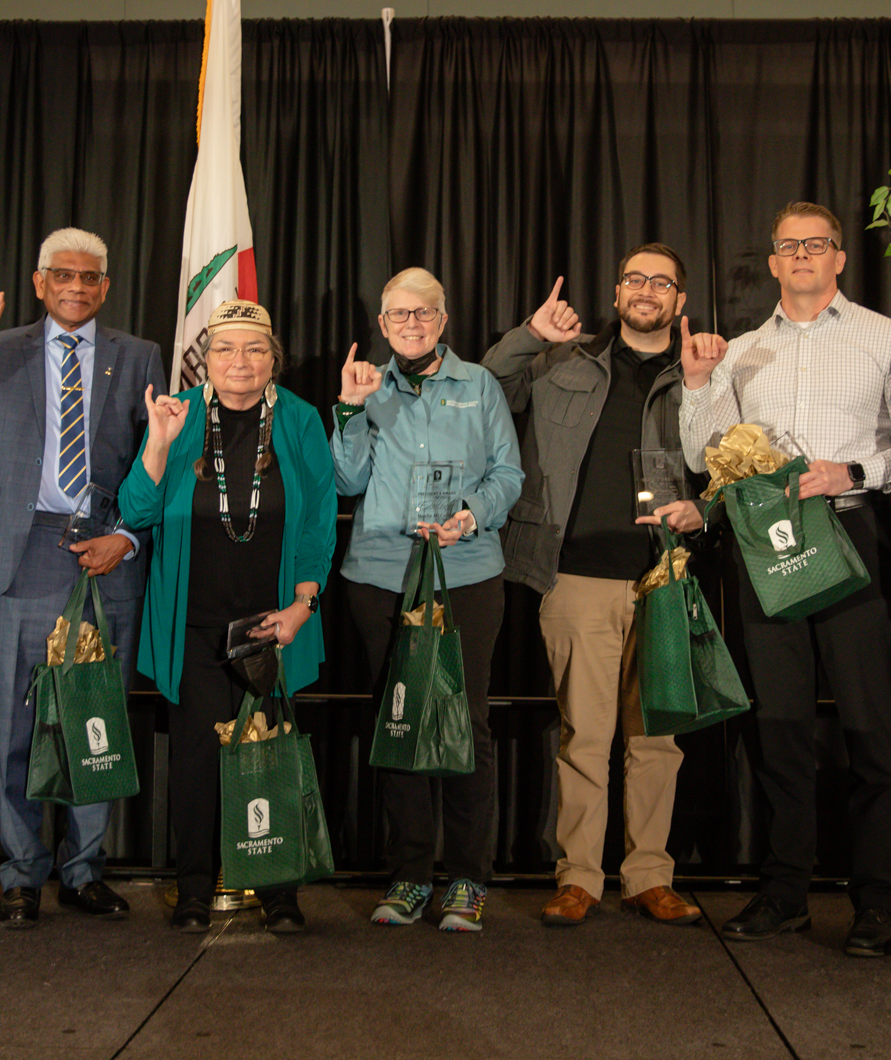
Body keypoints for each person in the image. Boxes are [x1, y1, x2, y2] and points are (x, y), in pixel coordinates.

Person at [679, 201, 891, 957]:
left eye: (818, 245)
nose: (805, 256)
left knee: (869, 729)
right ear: (774, 262)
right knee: (778, 728)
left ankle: (877, 902)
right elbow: (702, 453)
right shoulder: (741, 353)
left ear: (839, 258)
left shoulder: (890, 338)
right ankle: (786, 893)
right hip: (765, 541)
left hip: (849, 528)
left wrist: (856, 469)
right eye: (790, 247)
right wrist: (694, 383)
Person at [0, 229, 167, 928]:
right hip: (23, 549)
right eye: (61, 274)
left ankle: (84, 869)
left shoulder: (139, 356)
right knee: (21, 722)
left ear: (104, 285)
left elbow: (156, 458)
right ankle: (21, 873)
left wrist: (126, 538)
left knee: (97, 718)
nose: (75, 286)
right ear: (39, 283)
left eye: (89, 276)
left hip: (105, 551)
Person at [481, 247, 708, 927]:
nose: (646, 291)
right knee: (585, 735)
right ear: (616, 293)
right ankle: (579, 875)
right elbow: (488, 387)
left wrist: (708, 512)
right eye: (635, 279)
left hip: (666, 578)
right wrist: (530, 335)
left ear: (678, 299)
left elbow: (729, 459)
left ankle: (648, 875)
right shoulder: (561, 360)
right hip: (576, 576)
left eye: (661, 282)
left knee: (657, 739)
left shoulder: (698, 373)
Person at [119, 300, 337, 934]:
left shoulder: (297, 420)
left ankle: (277, 891)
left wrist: (302, 606)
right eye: (225, 349)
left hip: (273, 624)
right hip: (192, 623)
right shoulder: (178, 414)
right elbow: (136, 512)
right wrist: (157, 442)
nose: (239, 362)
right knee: (193, 758)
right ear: (205, 358)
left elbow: (319, 524)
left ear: (274, 359)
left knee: (268, 753)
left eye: (254, 350)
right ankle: (193, 887)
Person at [334, 268, 524, 932]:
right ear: (382, 326)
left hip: (466, 571)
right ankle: (411, 875)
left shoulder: (479, 385)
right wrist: (351, 411)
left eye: (423, 314)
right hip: (382, 575)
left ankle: (468, 878)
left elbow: (509, 473)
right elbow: (344, 477)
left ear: (443, 321)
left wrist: (470, 515)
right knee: (401, 719)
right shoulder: (367, 385)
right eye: (398, 315)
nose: (411, 324)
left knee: (466, 722)